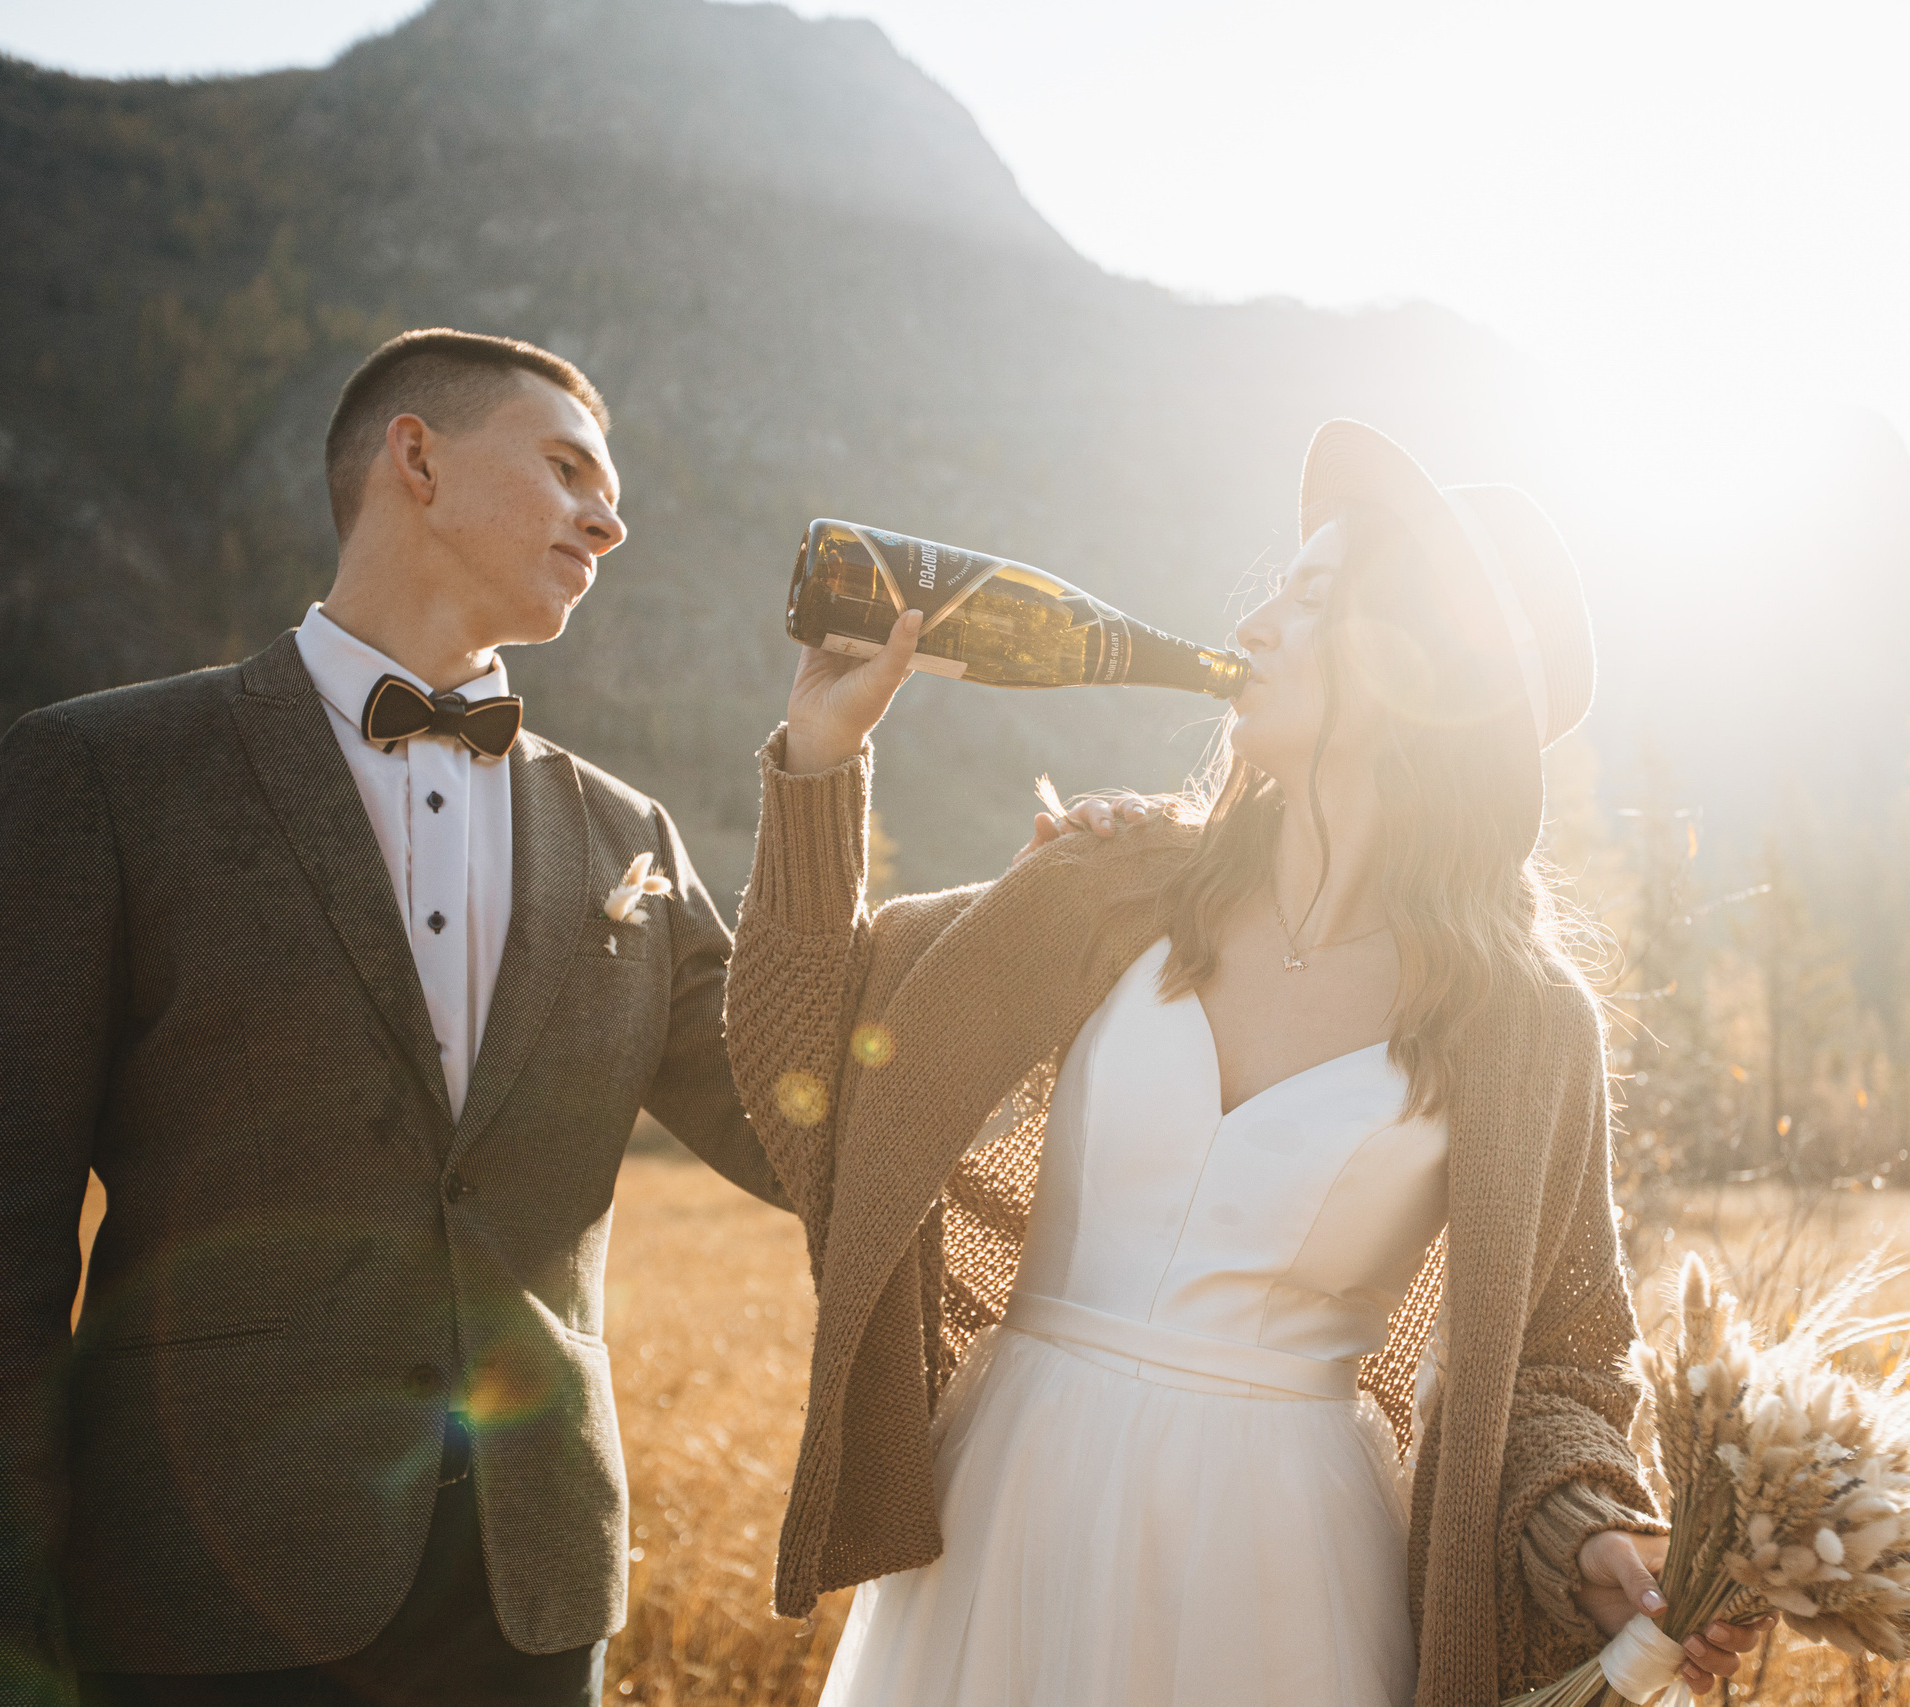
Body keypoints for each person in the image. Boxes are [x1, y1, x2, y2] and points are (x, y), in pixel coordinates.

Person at [723, 420, 1773, 1705]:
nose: (1255, 625)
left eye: (1312, 600)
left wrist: (1593, 1537)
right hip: (1005, 1513)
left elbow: (1561, 1364)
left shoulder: (1524, 1023)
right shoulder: (1111, 886)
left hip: (1285, 1569)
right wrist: (820, 762)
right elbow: (802, 1072)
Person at [0, 329, 790, 1707]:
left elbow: (799, 1128)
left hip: (531, 1604)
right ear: (415, 458)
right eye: (566, 470)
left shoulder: (628, 835)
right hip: (198, 1590)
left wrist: (926, 832)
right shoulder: (102, 772)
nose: (607, 522)